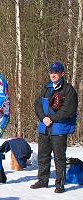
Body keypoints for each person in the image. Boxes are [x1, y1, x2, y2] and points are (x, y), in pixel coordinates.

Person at [30, 61, 78, 193]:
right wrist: (43, 118)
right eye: (51, 72)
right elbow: (37, 104)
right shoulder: (46, 88)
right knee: (43, 156)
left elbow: (69, 110)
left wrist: (52, 119)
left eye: (56, 72)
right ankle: (42, 180)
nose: (53, 74)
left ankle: (59, 184)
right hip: (44, 127)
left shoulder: (68, 90)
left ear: (62, 74)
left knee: (59, 157)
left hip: (59, 128)